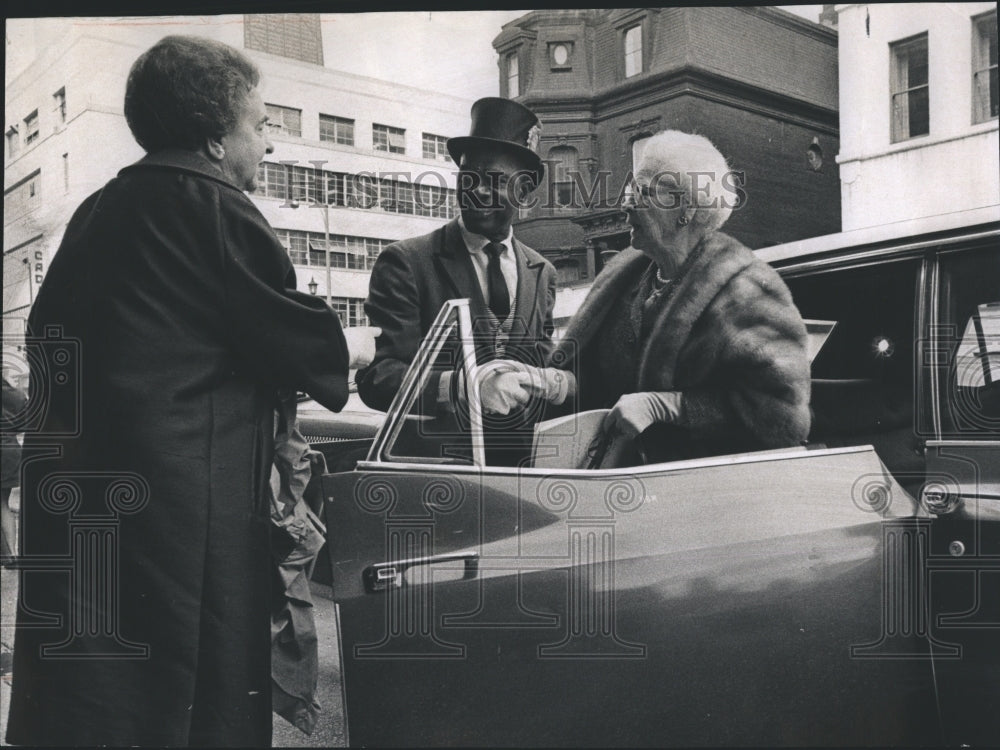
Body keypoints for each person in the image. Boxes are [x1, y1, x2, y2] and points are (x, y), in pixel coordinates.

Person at [7, 35, 354, 747]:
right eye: (259, 126)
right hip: (182, 529)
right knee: (191, 706)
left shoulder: (99, 211)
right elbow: (306, 347)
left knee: (98, 704)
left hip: (87, 520)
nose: (269, 145)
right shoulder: (217, 209)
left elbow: (52, 347)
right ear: (215, 137)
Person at [542, 130, 811, 463]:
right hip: (623, 484)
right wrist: (551, 383)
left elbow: (780, 416)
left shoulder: (747, 293)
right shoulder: (625, 280)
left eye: (641, 191)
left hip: (705, 492)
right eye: (630, 188)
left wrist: (669, 407)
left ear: (685, 209)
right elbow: (596, 381)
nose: (625, 204)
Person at [356, 97, 565, 465]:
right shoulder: (406, 262)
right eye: (469, 178)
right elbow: (378, 377)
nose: (479, 190)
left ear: (525, 192)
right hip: (434, 473)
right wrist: (467, 388)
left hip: (520, 472)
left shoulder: (542, 272)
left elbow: (540, 363)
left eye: (496, 180)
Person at [1, 375, 28, 566]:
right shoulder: (16, 395)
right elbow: (24, 424)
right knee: (3, 504)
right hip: (9, 450)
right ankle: (10, 554)